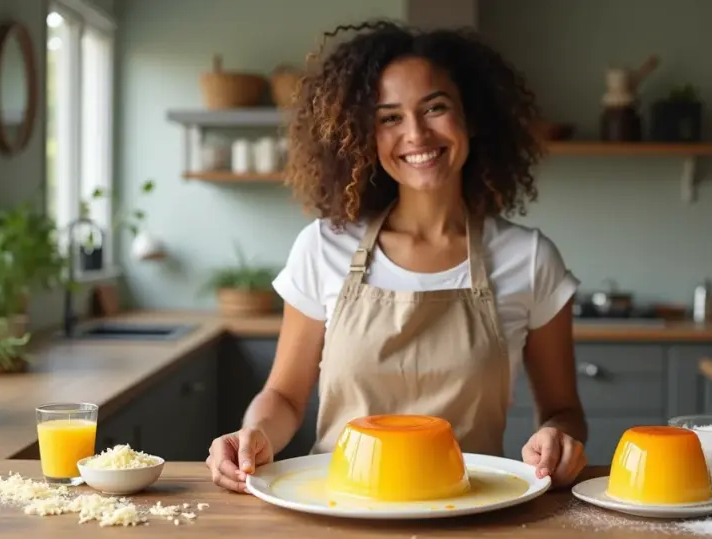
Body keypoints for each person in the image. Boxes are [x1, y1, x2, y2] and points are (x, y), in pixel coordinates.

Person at [207, 20, 588, 493]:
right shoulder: (323, 247)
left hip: (469, 511)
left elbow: (563, 410)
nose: (416, 134)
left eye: (435, 108)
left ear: (472, 116)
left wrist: (559, 438)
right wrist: (254, 436)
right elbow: (283, 396)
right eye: (389, 117)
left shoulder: (528, 258)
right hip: (339, 507)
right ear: (364, 134)